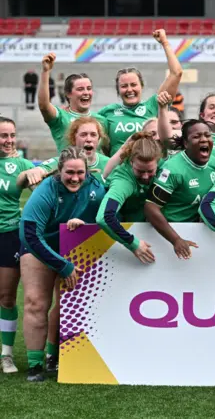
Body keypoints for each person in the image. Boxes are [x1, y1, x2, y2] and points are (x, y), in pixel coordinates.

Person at [19, 146, 106, 382]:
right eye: (69, 172)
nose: (75, 178)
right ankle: (35, 365)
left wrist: (86, 222)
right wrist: (63, 265)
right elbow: (29, 233)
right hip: (39, 247)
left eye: (80, 173)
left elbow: (109, 217)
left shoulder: (97, 188)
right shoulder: (46, 189)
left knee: (68, 305)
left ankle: (56, 357)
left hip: (74, 249)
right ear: (59, 170)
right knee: (36, 302)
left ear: (87, 171)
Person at [98, 29, 183, 155]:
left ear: (142, 86)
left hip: (152, 168)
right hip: (120, 171)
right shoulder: (107, 112)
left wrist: (164, 43)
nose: (129, 90)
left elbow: (176, 73)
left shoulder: (154, 105)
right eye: (124, 86)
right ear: (118, 90)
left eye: (133, 85)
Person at [144, 120, 215, 260]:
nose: (204, 140)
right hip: (170, 235)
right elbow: (150, 208)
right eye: (196, 137)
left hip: (199, 234)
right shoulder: (173, 170)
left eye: (208, 135)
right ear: (186, 143)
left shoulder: (214, 164)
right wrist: (175, 239)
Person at [0, 117, 35, 373]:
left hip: (9, 234)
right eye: (3, 136)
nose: (9, 140)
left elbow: (54, 166)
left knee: (6, 297)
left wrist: (40, 172)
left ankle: (7, 355)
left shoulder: (21, 165)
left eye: (12, 135)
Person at [97, 132, 162, 263]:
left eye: (150, 171)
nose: (145, 176)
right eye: (140, 171)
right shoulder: (123, 180)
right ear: (131, 161)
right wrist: (132, 243)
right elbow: (104, 217)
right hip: (129, 239)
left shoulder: (166, 168)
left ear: (158, 162)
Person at [38, 53, 107, 154]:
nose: (86, 92)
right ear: (68, 94)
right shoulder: (61, 118)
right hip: (69, 169)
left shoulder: (102, 120)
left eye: (89, 88)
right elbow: (44, 106)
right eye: (80, 89)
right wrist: (45, 71)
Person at [21, 116, 110, 187]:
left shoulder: (109, 164)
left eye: (93, 135)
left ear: (99, 139)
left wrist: (110, 209)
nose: (89, 139)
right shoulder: (62, 162)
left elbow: (118, 196)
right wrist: (33, 172)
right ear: (73, 138)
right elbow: (21, 180)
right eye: (83, 135)